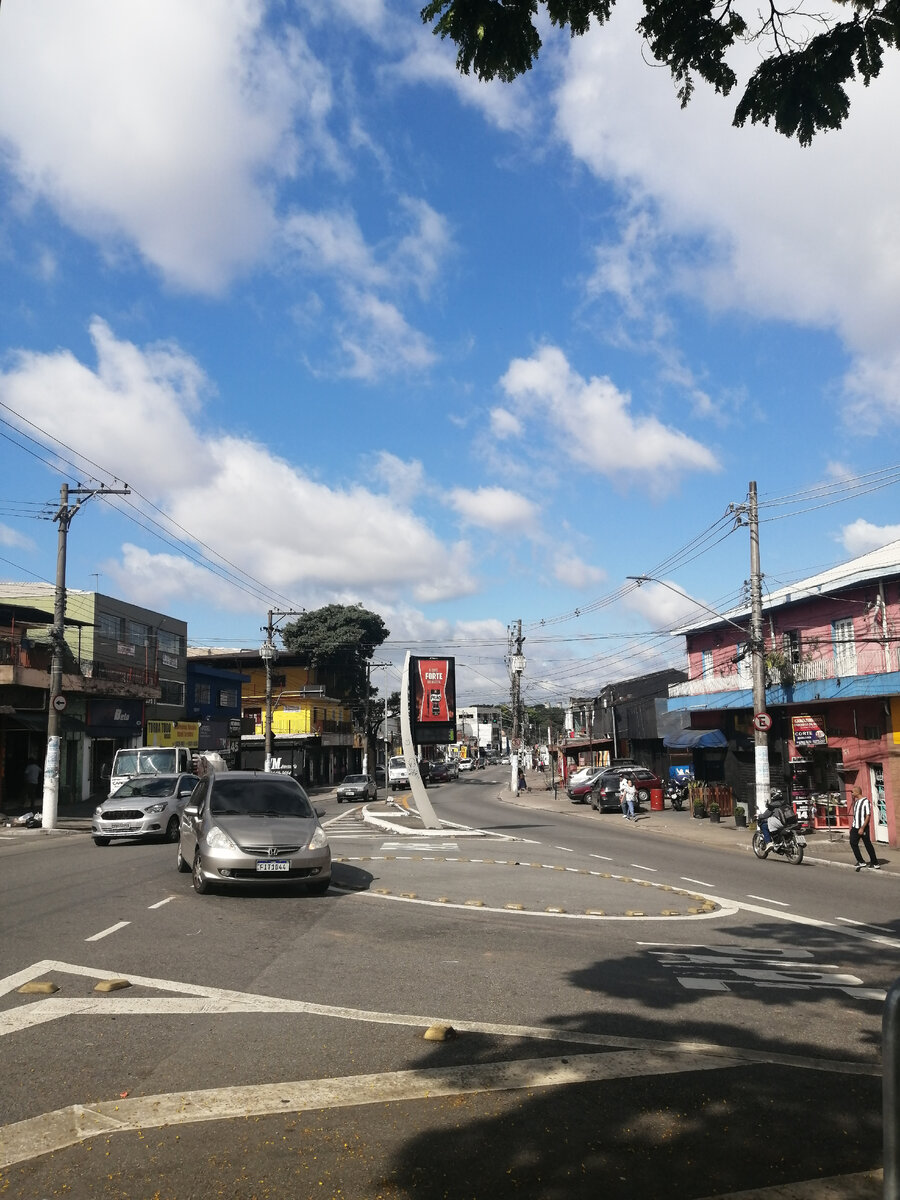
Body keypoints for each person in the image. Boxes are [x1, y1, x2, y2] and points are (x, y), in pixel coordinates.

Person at [849, 785, 880, 871]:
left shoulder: (866, 802)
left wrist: (862, 828)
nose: (851, 794)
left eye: (852, 792)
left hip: (863, 827)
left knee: (867, 844)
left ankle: (875, 862)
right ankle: (861, 861)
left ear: (857, 792)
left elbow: (868, 816)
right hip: (855, 826)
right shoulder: (856, 802)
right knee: (852, 842)